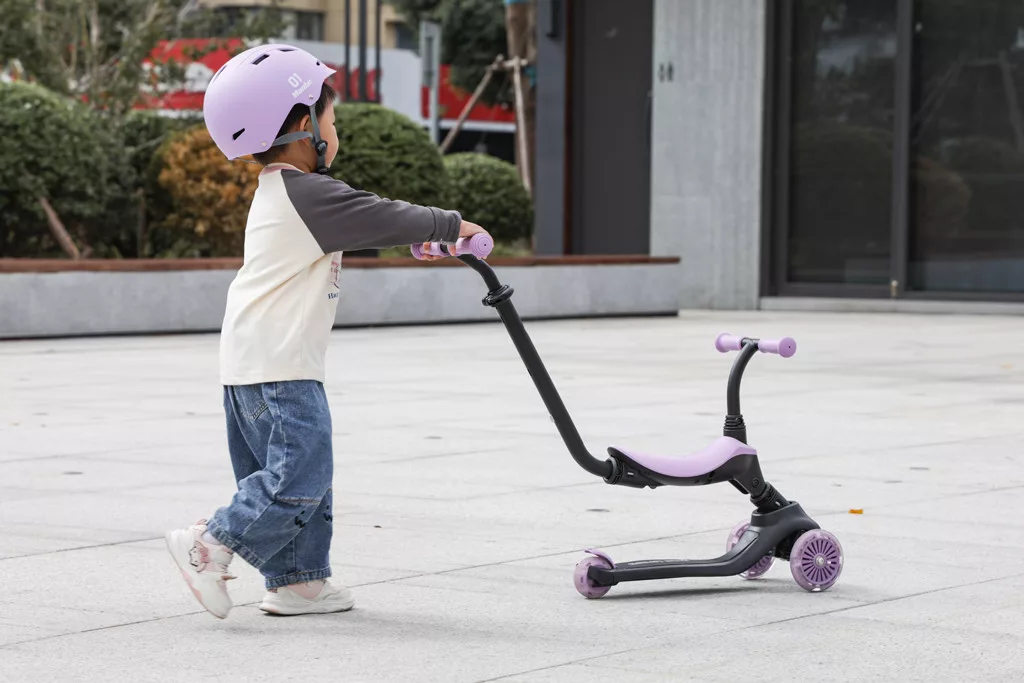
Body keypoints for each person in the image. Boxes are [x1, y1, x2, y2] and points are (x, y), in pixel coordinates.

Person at [164, 44, 489, 619]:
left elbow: (362, 225)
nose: (336, 134)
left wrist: (421, 239)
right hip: (281, 365)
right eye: (331, 122)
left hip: (255, 361)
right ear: (301, 127)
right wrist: (451, 225)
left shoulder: (285, 192)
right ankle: (209, 544)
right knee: (301, 475)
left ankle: (299, 582)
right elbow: (380, 213)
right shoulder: (306, 192)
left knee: (289, 473)